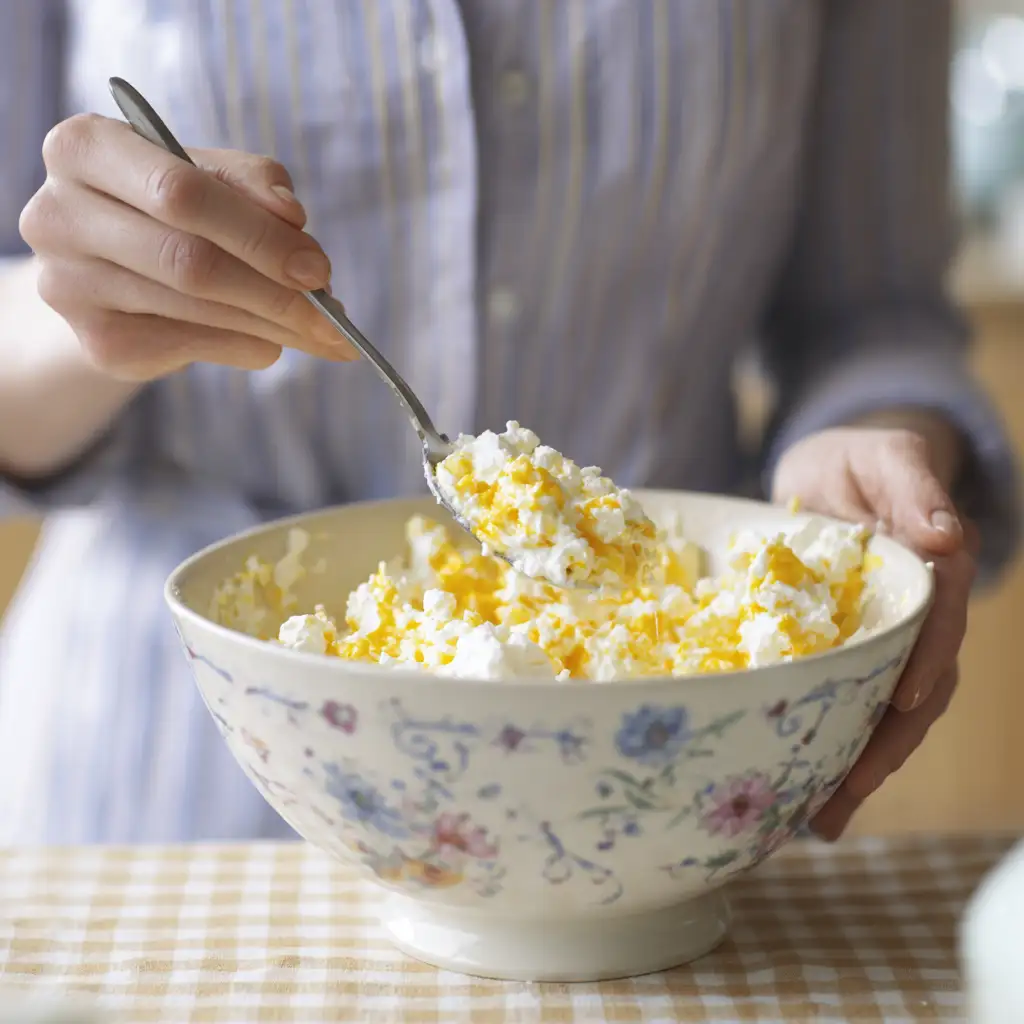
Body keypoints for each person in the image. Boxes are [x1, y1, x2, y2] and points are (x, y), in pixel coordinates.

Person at [0, 0, 1017, 845]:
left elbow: (871, 316)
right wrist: (87, 314)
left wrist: (864, 456)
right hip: (166, 790)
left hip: (669, 787)